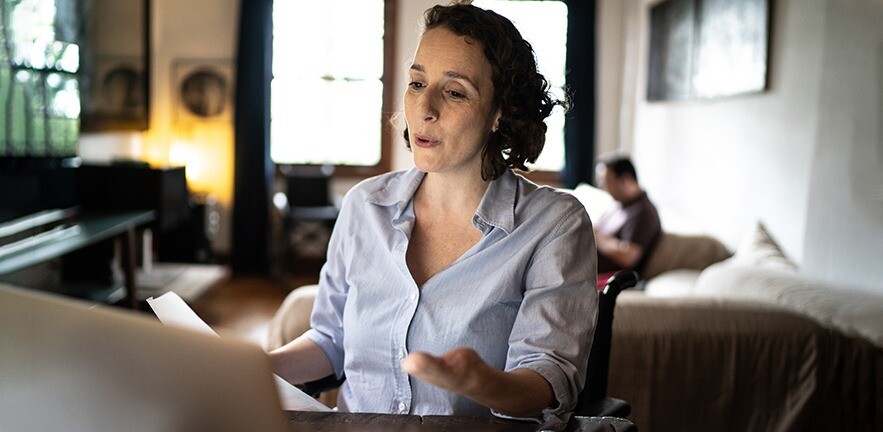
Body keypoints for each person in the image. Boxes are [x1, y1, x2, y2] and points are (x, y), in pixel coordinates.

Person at [269, 2, 597, 429]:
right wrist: (254, 366)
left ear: (500, 113)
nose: (424, 107)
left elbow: (548, 380)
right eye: (417, 83)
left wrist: (483, 383)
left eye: (455, 92)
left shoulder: (555, 224)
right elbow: (332, 340)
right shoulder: (363, 205)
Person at [593, 155, 661, 275]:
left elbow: (629, 257)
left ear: (626, 179)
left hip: (608, 278)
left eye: (607, 182)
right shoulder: (618, 204)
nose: (604, 188)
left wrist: (598, 239)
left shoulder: (644, 212)